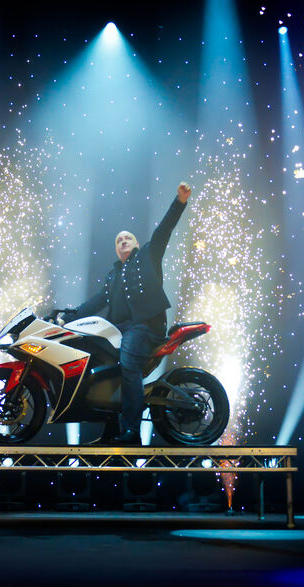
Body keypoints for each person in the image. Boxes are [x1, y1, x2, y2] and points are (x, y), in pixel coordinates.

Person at [69, 182, 191, 444]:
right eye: (118, 240)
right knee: (101, 367)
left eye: (127, 238)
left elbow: (164, 230)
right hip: (119, 330)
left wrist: (179, 201)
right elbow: (97, 301)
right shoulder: (113, 274)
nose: (123, 241)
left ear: (136, 243)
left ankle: (133, 431)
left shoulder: (148, 254)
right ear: (116, 249)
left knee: (128, 365)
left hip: (146, 326)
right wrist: (69, 316)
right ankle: (111, 428)